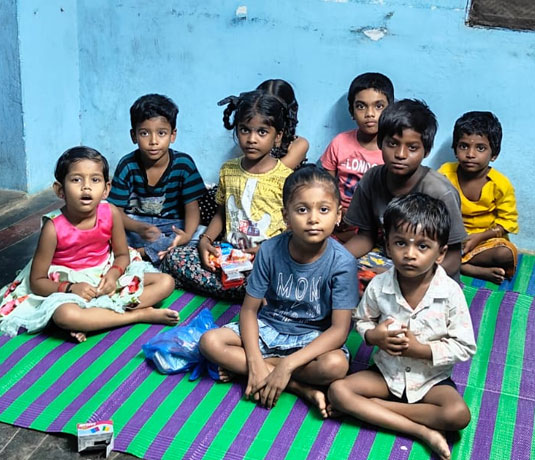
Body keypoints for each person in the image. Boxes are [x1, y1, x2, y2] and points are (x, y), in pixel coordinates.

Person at [200, 166, 359, 417]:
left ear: (338, 215)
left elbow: (339, 331)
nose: (313, 219)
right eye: (302, 210)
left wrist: (287, 364)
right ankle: (298, 387)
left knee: (336, 366)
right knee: (210, 342)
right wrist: (254, 361)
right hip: (269, 328)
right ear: (286, 216)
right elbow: (249, 311)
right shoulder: (269, 250)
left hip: (312, 337)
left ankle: (271, 372)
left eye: (324, 210)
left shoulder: (343, 262)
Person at [328, 193, 477, 460]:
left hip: (431, 380)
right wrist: (374, 336)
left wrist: (421, 350)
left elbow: (465, 346)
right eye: (400, 243)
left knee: (458, 415)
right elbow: (362, 320)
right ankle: (421, 430)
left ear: (441, 253)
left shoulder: (450, 293)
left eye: (423, 246)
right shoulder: (379, 285)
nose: (409, 254)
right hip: (387, 375)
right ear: (387, 245)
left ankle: (374, 409)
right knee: (338, 391)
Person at [0, 147, 178, 342]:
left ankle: (93, 320)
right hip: (69, 284)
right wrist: (70, 288)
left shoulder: (110, 213)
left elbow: (122, 255)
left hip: (105, 275)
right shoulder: (53, 227)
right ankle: (138, 315)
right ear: (60, 190)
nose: (86, 187)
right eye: (76, 180)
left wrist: (113, 274)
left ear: (106, 189)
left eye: (95, 180)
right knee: (66, 315)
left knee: (166, 283)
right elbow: (37, 281)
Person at [161, 90, 294, 300]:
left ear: (277, 136)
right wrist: (205, 241)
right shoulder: (229, 170)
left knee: (281, 276)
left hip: (266, 259)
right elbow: (222, 213)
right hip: (229, 254)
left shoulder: (286, 178)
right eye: (245, 130)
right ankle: (242, 291)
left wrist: (265, 251)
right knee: (174, 257)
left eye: (262, 132)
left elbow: (292, 229)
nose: (252, 139)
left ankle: (240, 289)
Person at [343, 99, 467, 280]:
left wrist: (399, 279)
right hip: (390, 260)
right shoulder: (372, 179)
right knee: (342, 278)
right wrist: (332, 261)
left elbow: (453, 258)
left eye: (412, 148)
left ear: (426, 151)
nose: (400, 154)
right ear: (380, 143)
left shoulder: (440, 192)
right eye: (392, 144)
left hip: (429, 275)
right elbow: (365, 237)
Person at [108, 93, 206, 265]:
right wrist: (138, 227)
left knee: (201, 235)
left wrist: (186, 235)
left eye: (161, 133)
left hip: (172, 225)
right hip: (136, 225)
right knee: (105, 229)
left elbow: (192, 209)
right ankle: (151, 252)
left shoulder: (183, 164)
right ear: (133, 136)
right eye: (144, 133)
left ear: (172, 135)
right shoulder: (127, 165)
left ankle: (142, 253)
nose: (153, 141)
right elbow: (115, 211)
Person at [438, 111, 518, 284]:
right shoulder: (445, 174)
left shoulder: (500, 184)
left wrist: (479, 237)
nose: (470, 154)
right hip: (451, 238)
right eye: (463, 146)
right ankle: (467, 268)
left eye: (480, 148)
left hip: (485, 241)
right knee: (423, 243)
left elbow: (507, 223)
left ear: (494, 154)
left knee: (506, 254)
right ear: (455, 148)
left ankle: (455, 264)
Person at [320, 72, 394, 242]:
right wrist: (336, 211)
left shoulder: (393, 150)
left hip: (373, 222)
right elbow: (326, 187)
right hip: (339, 218)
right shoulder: (339, 143)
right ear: (351, 111)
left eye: (379, 106)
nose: (370, 114)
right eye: (361, 106)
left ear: (390, 109)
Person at [256, 79, 309, 169]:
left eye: (274, 110)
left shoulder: (299, 144)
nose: (268, 116)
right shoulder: (251, 140)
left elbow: (276, 174)